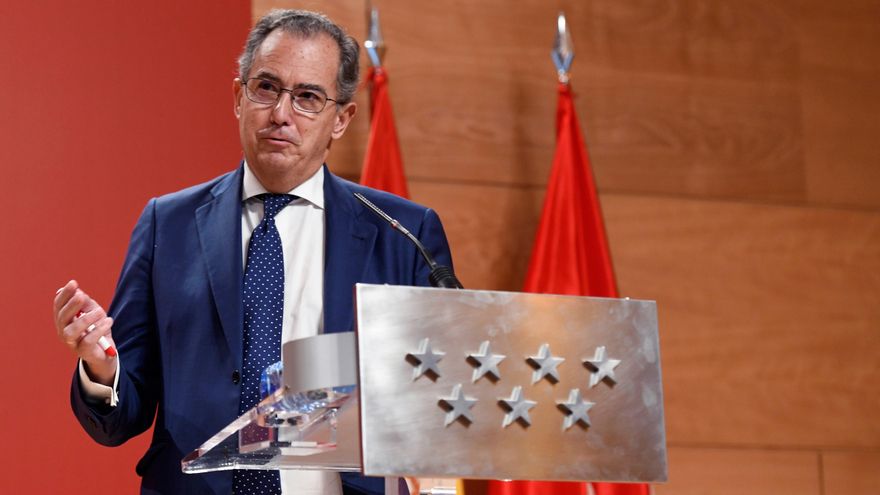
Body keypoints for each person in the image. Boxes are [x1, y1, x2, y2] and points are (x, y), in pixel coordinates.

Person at [52, 9, 454, 495]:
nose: (281, 113)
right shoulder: (168, 223)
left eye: (307, 97)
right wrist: (101, 367)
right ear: (238, 97)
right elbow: (120, 419)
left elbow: (440, 403)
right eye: (266, 87)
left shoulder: (403, 233)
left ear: (342, 119)